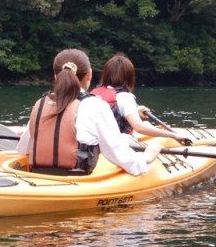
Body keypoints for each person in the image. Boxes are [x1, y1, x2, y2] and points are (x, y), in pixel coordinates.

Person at [16, 49, 163, 175]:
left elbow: (23, 149)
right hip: (78, 180)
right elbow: (119, 155)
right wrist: (147, 158)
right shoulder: (95, 105)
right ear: (89, 75)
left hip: (38, 176)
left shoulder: (40, 103)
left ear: (56, 76)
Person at [90, 53, 193, 146]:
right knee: (146, 128)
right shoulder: (125, 97)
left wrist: (135, 111)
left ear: (106, 74)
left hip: (93, 144)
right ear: (129, 77)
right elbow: (138, 128)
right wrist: (173, 135)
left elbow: (111, 111)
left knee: (147, 124)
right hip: (114, 145)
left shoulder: (93, 93)